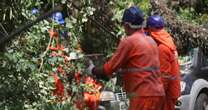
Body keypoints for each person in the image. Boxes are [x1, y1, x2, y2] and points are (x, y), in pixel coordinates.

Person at [87, 6, 165, 110]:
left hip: (142, 96)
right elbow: (140, 65)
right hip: (158, 94)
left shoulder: (128, 42)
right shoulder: (151, 41)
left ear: (127, 25)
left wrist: (92, 70)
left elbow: (108, 69)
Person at [146, 15, 181, 110]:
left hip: (166, 93)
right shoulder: (168, 42)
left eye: (148, 30)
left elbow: (164, 75)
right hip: (171, 90)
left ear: (151, 29)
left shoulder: (162, 49)